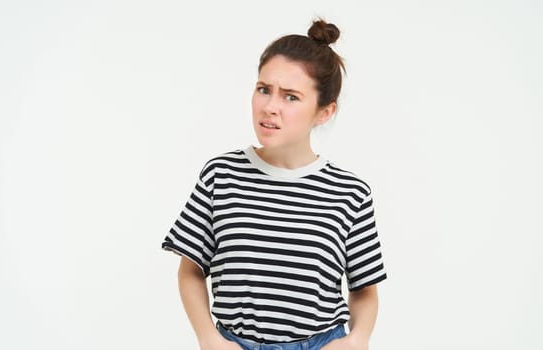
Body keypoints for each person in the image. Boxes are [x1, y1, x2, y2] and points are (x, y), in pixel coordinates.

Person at [161, 18, 387, 350]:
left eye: (291, 97)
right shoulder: (221, 175)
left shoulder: (350, 193)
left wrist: (358, 339)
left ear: (324, 112)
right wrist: (209, 338)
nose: (270, 107)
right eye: (264, 89)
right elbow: (190, 270)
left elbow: (365, 288)